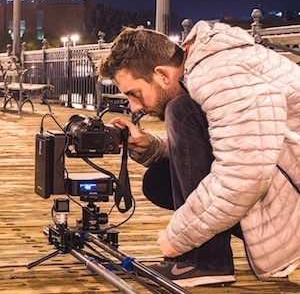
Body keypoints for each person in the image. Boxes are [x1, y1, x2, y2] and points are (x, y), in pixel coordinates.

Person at [98, 21, 300, 288]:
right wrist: (152, 147)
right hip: (285, 178)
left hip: (290, 192)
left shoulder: (221, 74)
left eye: (134, 94)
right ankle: (204, 260)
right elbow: (235, 144)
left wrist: (178, 236)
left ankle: (205, 262)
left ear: (161, 74)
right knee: (159, 180)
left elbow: (244, 176)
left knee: (181, 111)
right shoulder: (204, 66)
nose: (134, 107)